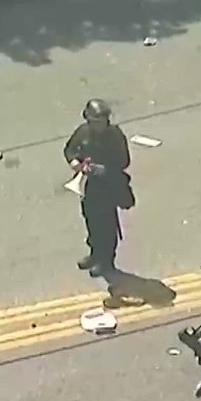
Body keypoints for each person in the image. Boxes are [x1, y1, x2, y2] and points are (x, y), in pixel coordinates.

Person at [62, 99, 134, 277]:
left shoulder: (115, 135)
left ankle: (106, 262)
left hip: (108, 186)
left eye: (102, 120)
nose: (99, 124)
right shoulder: (83, 131)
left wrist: (104, 168)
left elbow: (124, 161)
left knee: (107, 226)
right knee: (91, 221)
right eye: (95, 121)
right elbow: (70, 149)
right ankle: (95, 255)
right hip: (89, 185)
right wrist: (74, 161)